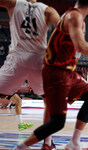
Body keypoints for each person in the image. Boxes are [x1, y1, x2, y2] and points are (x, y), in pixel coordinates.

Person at [11, 0, 88, 150]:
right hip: (57, 73)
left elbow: (74, 48)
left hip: (66, 71)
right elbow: (81, 46)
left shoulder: (71, 15)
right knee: (58, 122)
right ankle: (21, 146)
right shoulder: (74, 17)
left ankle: (74, 142)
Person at [0, 0, 60, 149]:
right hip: (39, 61)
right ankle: (47, 143)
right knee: (49, 101)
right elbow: (63, 29)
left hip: (17, 60)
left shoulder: (13, 3)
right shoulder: (48, 10)